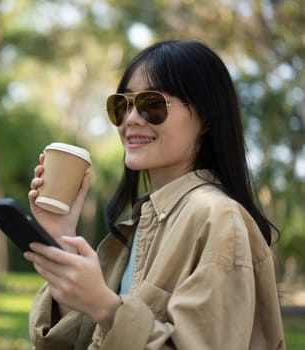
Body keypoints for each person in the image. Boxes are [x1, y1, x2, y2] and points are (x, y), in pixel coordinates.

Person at [24, 40, 286, 349]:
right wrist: (61, 239)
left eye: (152, 104)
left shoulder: (217, 218)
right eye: (122, 105)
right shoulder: (140, 225)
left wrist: (107, 308)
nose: (131, 119)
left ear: (205, 118)